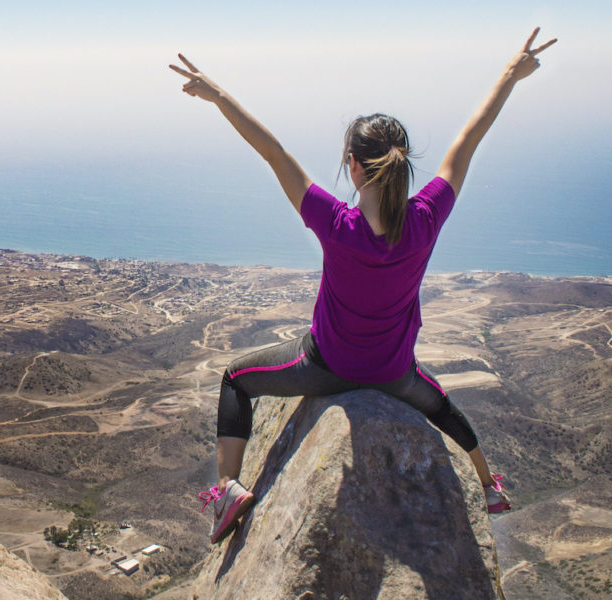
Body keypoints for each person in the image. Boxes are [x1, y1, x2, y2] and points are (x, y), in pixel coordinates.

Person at [170, 27, 557, 544]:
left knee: (235, 379)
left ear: (353, 165)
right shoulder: (426, 219)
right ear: (403, 163)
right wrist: (510, 75)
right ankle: (489, 484)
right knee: (439, 405)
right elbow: (468, 140)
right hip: (393, 372)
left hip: (326, 367)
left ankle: (227, 491)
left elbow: (274, 151)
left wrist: (218, 96)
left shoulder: (337, 224)